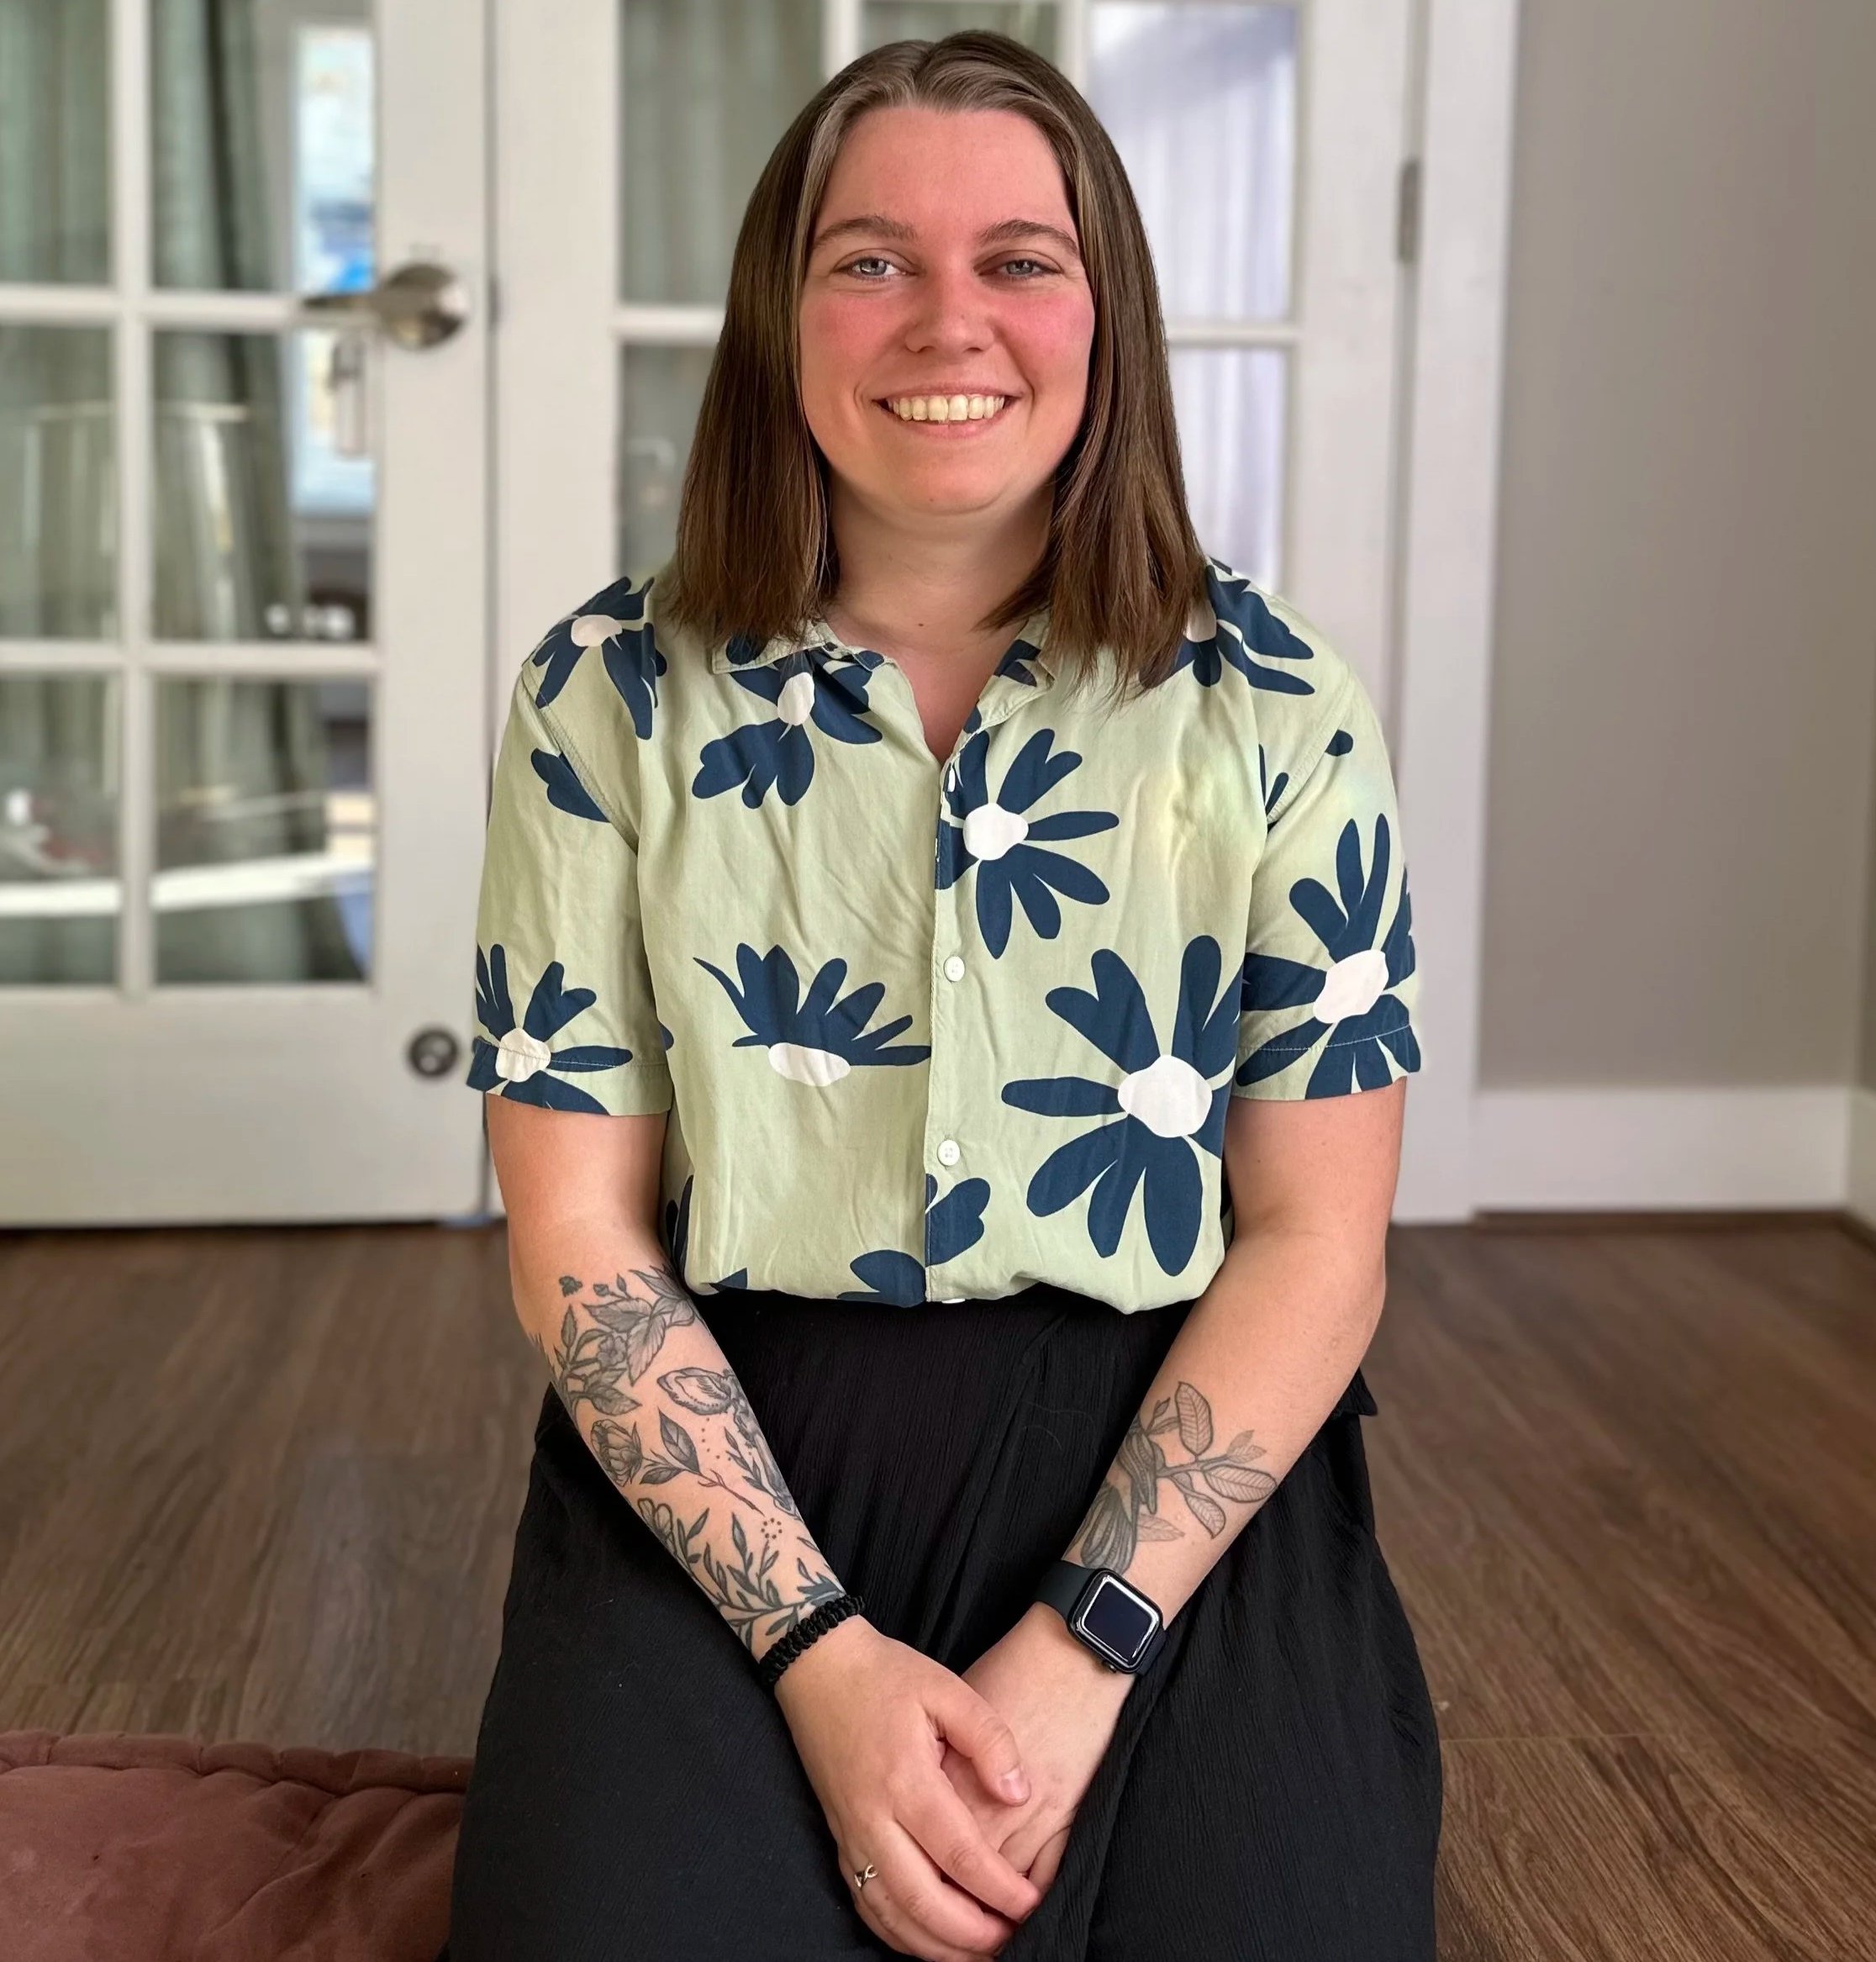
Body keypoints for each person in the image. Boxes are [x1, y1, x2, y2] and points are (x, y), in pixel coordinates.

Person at [442, 29, 1439, 1962]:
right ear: (781, 315)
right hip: (735, 1435)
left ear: (1105, 314)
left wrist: (1086, 1649)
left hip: (1173, 1438)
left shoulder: (1281, 705)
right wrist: (818, 1660)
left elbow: (1320, 1236)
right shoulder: (604, 697)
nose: (945, 319)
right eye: (872, 259)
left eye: (1021, 260)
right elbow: (575, 1231)